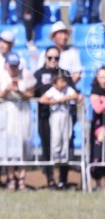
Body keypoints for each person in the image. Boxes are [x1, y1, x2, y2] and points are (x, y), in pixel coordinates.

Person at [0, 53, 36, 190]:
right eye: (11, 66)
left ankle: (22, 179)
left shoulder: (26, 74)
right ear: (6, 65)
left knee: (23, 144)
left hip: (22, 112)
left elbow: (31, 94)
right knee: (8, 146)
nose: (13, 69)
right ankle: (11, 178)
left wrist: (19, 90)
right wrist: (7, 89)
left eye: (15, 66)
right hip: (7, 112)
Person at [35, 62, 78, 190]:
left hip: (66, 117)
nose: (63, 84)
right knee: (56, 137)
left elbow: (76, 95)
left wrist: (65, 99)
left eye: (65, 81)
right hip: (55, 118)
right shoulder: (52, 91)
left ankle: (64, 157)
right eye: (61, 82)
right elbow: (42, 99)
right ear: (54, 83)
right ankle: (55, 157)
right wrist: (53, 101)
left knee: (66, 137)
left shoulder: (68, 90)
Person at [37, 21, 83, 86]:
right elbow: (40, 73)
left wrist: (64, 87)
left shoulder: (73, 53)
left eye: (65, 33)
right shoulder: (45, 53)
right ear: (54, 37)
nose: (63, 37)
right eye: (60, 33)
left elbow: (77, 73)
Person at [89, 67, 105, 191]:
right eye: (101, 77)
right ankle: (98, 182)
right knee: (98, 154)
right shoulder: (95, 91)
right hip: (99, 129)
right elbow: (98, 109)